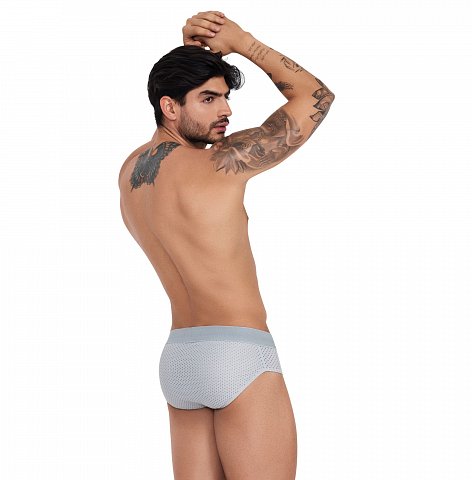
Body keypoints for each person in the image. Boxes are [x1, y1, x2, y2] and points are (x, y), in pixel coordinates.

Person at [118, 10, 335, 479]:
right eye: (209, 98)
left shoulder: (131, 171)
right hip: (239, 355)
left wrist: (193, 59)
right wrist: (242, 41)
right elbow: (315, 95)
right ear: (169, 106)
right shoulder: (222, 164)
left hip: (180, 360)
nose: (227, 111)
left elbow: (180, 130)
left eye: (226, 98)